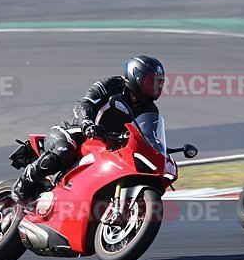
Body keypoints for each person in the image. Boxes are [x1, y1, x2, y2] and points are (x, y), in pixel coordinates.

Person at [12, 55, 166, 205]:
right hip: (74, 133)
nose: (155, 88)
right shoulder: (112, 85)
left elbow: (148, 136)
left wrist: (158, 148)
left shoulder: (151, 110)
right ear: (135, 77)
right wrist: (86, 123)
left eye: (159, 84)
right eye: (150, 82)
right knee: (64, 150)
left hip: (105, 145)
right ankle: (25, 181)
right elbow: (84, 104)